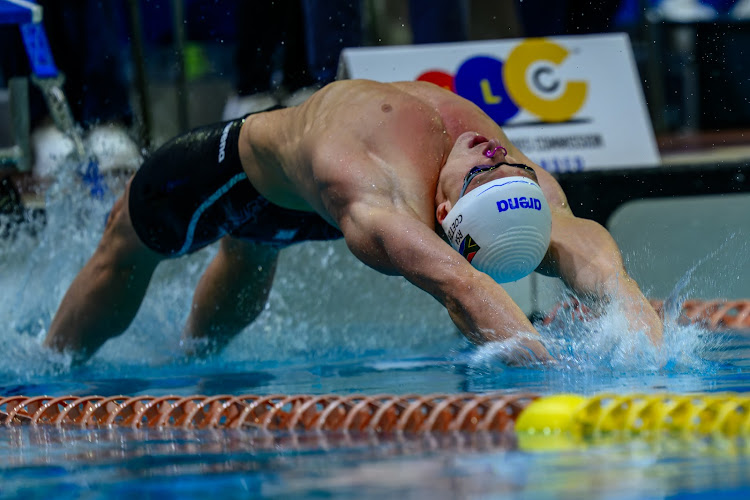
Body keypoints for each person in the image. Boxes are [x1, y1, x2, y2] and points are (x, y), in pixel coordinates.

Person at [44, 79, 663, 364]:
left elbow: (464, 289)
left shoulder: (387, 204)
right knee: (125, 246)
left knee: (254, 245)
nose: (493, 152)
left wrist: (564, 375)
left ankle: (185, 367)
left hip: (328, 193)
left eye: (485, 170)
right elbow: (486, 280)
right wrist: (629, 334)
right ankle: (49, 369)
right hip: (238, 169)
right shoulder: (517, 177)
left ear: (444, 213)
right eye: (509, 168)